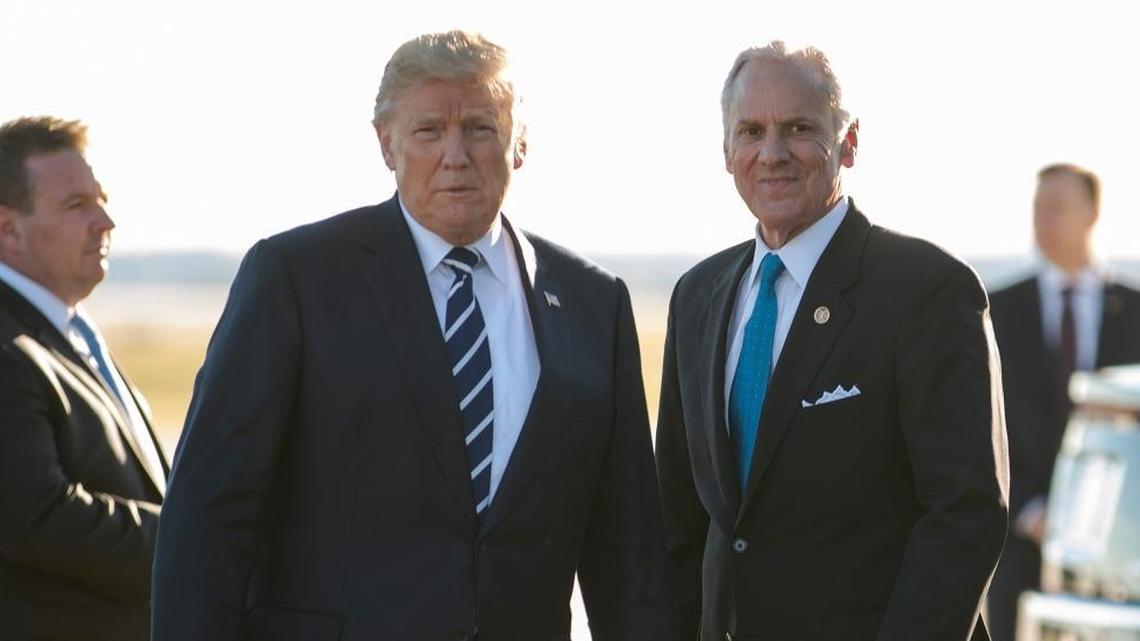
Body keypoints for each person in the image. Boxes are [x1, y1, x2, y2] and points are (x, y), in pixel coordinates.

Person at [152, 30, 669, 641]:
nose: (455, 155)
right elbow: (208, 517)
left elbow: (626, 549)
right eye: (429, 131)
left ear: (520, 143)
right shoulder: (295, 277)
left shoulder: (593, 303)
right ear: (386, 144)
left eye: (480, 128)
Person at [655, 41, 1009, 641]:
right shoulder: (698, 296)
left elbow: (964, 515)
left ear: (848, 142)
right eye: (750, 131)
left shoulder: (927, 291)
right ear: (726, 151)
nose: (772, 154)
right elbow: (678, 521)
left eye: (798, 128)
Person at [0, 116, 167, 640]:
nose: (106, 221)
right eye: (77, 206)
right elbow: (34, 516)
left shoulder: (70, 329)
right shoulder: (8, 347)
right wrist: (201, 538)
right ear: (8, 229)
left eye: (100, 198)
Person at [986, 164, 1140, 641]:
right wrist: (1029, 511)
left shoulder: (1135, 310)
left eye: (1056, 208)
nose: (1043, 220)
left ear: (1092, 213)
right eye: (1037, 209)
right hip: (1018, 554)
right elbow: (978, 428)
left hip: (1117, 564)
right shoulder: (995, 309)